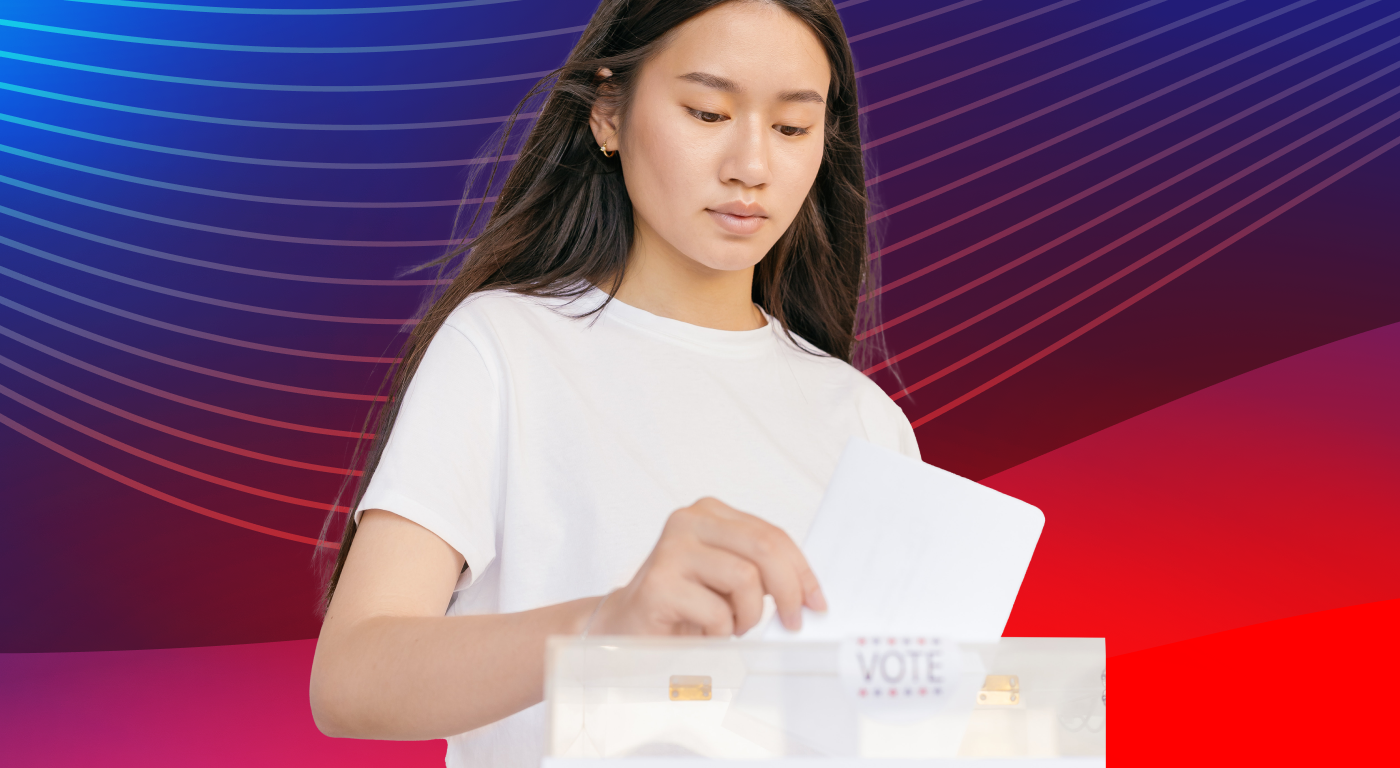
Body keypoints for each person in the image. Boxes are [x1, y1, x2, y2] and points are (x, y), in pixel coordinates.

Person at [309, 0, 919, 765]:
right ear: (607, 111)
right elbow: (351, 678)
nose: (752, 166)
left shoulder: (867, 422)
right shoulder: (505, 347)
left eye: (793, 128)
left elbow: (895, 727)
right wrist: (612, 622)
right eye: (707, 112)